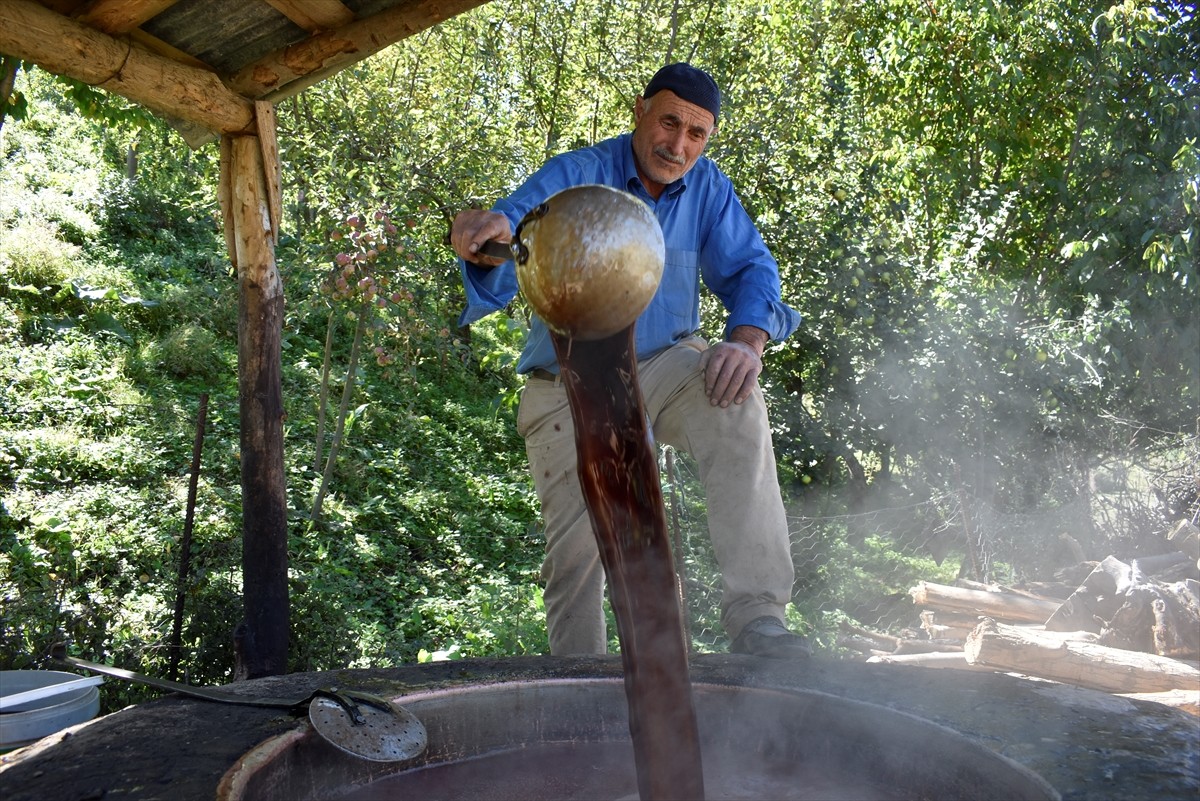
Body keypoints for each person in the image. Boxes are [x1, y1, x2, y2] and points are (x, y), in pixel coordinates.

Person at [450, 62, 810, 659]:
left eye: (697, 134)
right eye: (669, 122)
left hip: (667, 367)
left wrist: (746, 342)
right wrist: (484, 233)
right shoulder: (580, 174)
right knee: (576, 555)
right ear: (640, 111)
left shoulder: (711, 190)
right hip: (567, 383)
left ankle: (759, 620)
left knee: (735, 398)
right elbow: (514, 224)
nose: (679, 145)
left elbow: (752, 270)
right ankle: (582, 687)